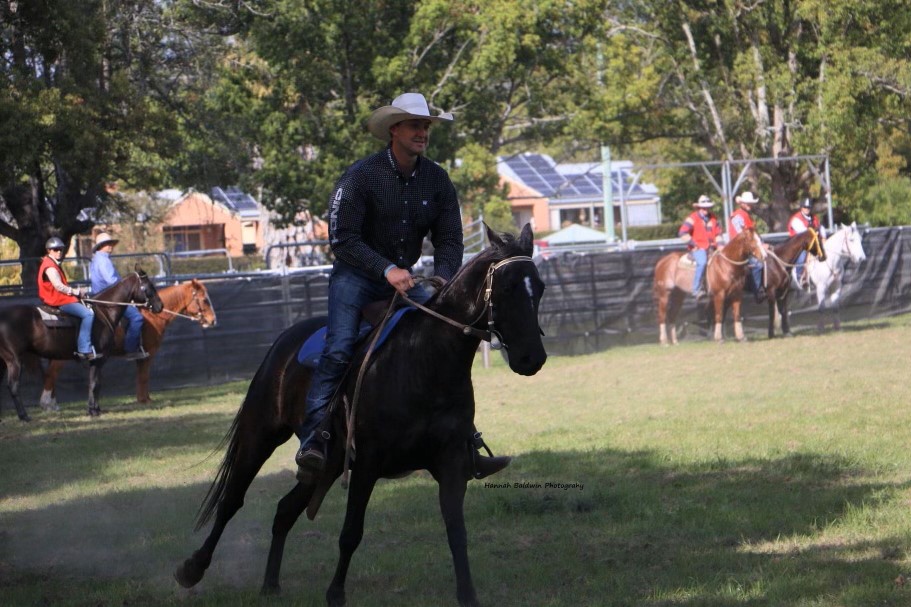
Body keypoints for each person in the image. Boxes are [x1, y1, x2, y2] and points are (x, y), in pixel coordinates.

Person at [294, 92, 509, 483]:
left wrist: (444, 277)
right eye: (414, 125)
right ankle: (315, 441)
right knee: (339, 348)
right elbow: (342, 239)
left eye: (425, 126)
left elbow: (450, 238)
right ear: (394, 130)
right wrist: (386, 268)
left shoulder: (437, 179)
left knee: (445, 341)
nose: (422, 132)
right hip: (355, 278)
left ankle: (465, 442)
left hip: (406, 280)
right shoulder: (361, 176)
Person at [37, 237, 102, 360]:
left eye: (61, 249)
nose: (59, 252)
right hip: (58, 299)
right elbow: (59, 286)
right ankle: (84, 349)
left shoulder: (50, 263)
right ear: (49, 250)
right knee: (88, 314)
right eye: (56, 249)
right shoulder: (50, 267)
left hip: (57, 297)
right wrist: (76, 292)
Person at [89, 232, 149, 360]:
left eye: (111, 243)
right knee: (137, 318)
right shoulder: (104, 260)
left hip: (98, 298)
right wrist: (127, 293)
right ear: (101, 246)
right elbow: (113, 282)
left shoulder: (95, 260)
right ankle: (131, 349)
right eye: (107, 244)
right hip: (111, 300)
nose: (110, 246)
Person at [677, 195, 722, 298]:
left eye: (708, 207)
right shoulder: (692, 218)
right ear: (699, 207)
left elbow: (718, 234)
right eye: (704, 207)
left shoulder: (714, 218)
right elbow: (682, 233)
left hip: (713, 247)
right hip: (698, 247)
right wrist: (693, 244)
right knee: (702, 263)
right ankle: (696, 289)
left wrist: (721, 245)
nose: (706, 209)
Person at [728, 191, 766, 303]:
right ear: (742, 204)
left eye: (750, 203)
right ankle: (757, 291)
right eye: (748, 203)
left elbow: (753, 234)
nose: (750, 205)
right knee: (757, 264)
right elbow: (742, 235)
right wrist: (757, 245)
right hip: (739, 248)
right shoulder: (737, 216)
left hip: (749, 246)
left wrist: (761, 243)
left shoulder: (747, 216)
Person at [788, 197, 827, 286]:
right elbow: (805, 233)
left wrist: (824, 237)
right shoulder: (796, 219)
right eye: (805, 207)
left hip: (813, 243)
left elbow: (820, 227)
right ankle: (800, 277)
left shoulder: (814, 218)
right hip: (800, 245)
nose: (807, 209)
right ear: (801, 207)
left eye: (808, 207)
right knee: (802, 257)